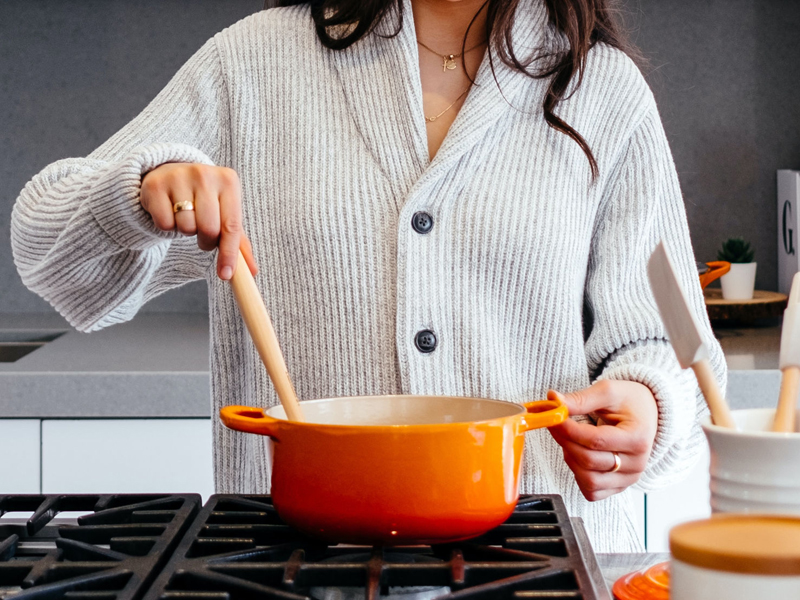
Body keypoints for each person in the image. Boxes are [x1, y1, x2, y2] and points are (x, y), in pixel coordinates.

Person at [10, 0, 725, 552]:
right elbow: (47, 253)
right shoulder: (254, 66)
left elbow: (672, 353)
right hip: (286, 566)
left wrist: (646, 407)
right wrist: (138, 193)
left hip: (544, 562)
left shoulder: (604, 90)